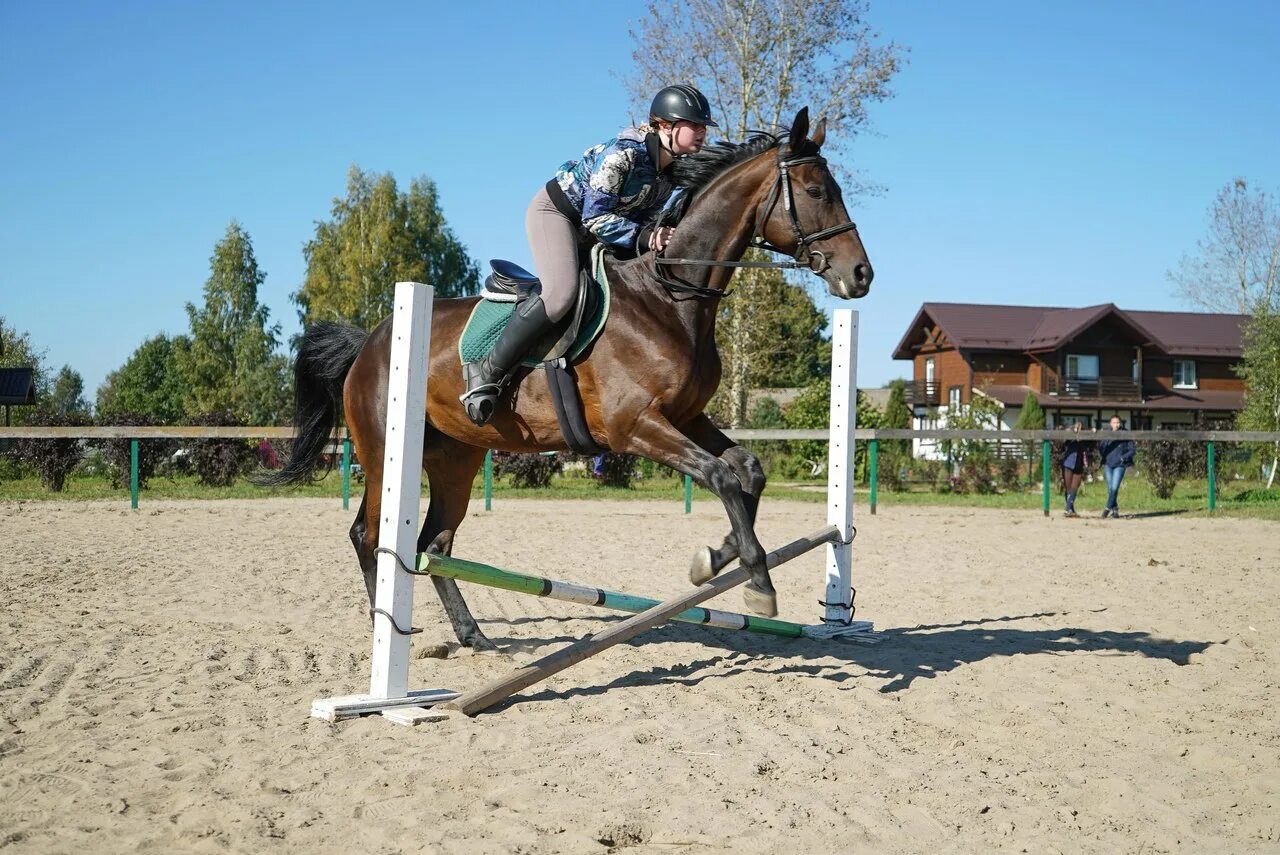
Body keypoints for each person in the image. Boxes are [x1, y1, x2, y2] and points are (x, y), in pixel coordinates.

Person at [460, 84, 718, 426]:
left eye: (703, 127)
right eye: (695, 125)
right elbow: (595, 217)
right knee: (560, 295)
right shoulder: (624, 153)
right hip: (559, 214)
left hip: (602, 231)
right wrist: (645, 236)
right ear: (666, 126)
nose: (702, 132)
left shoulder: (677, 172)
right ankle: (487, 371)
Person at [1098, 414, 1137, 518]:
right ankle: (1115, 510)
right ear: (1110, 423)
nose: (1116, 424)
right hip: (1108, 464)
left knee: (1115, 488)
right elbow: (1101, 448)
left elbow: (1132, 449)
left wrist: (1123, 458)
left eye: (1118, 422)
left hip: (1120, 464)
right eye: (1114, 422)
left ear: (1121, 423)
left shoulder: (1125, 433)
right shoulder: (1107, 434)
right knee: (1110, 488)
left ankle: (1107, 508)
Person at [1060, 422, 1089, 518]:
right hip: (1068, 463)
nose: (1078, 429)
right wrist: (1073, 430)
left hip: (1079, 464)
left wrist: (1093, 431)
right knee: (1068, 488)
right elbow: (1064, 439)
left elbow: (1092, 441)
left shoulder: (1084, 438)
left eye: (1080, 427)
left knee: (1074, 488)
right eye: (1077, 427)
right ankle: (1070, 509)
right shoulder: (1070, 436)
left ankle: (1068, 508)